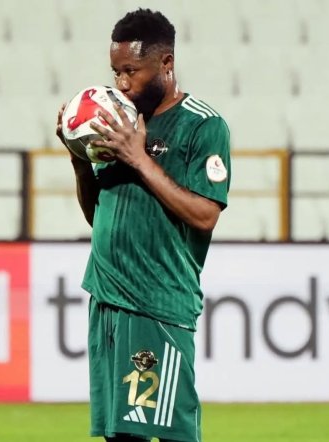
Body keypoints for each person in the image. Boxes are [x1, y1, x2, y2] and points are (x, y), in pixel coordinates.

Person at [55, 8, 231, 442]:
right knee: (120, 436)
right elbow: (99, 215)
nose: (121, 83)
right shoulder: (119, 122)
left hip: (157, 304)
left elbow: (205, 215)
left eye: (131, 71)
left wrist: (139, 159)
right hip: (107, 300)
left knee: (172, 434)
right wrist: (80, 160)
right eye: (116, 72)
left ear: (166, 62)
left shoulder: (203, 125)